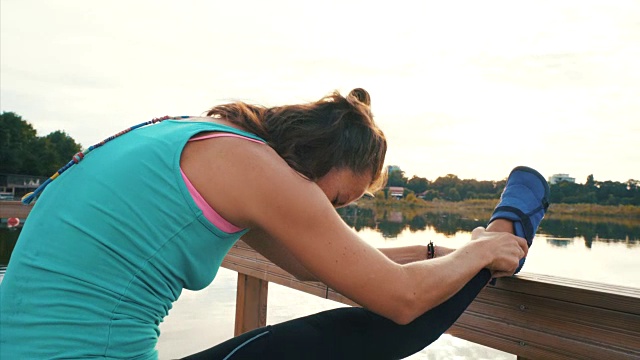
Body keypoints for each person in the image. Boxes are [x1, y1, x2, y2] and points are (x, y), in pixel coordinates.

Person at [0, 88, 549, 359]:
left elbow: (323, 269)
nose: (329, 212)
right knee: (371, 330)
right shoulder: (258, 169)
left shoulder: (206, 140)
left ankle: (497, 237)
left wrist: (441, 255)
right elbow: (400, 299)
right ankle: (509, 232)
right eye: (337, 198)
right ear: (323, 157)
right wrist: (479, 252)